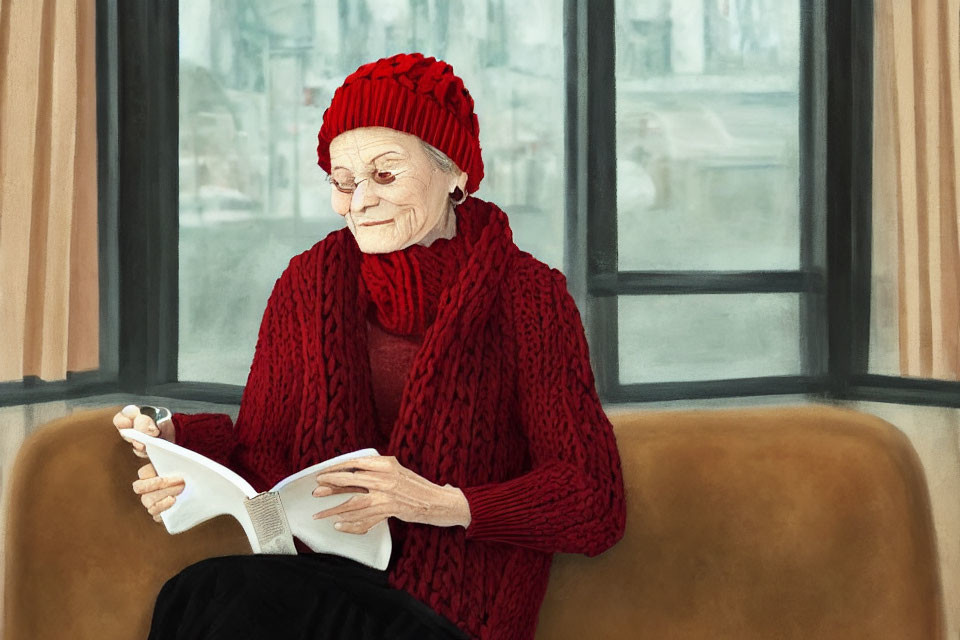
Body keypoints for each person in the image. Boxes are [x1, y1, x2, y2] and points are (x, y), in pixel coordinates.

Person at [113, 52, 626, 640]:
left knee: (217, 596)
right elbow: (264, 454)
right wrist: (181, 450)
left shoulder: (529, 295)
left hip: (456, 615)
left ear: (455, 171)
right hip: (320, 590)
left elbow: (595, 502)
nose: (358, 201)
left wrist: (439, 503)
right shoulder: (306, 284)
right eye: (342, 181)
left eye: (384, 175)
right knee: (202, 594)